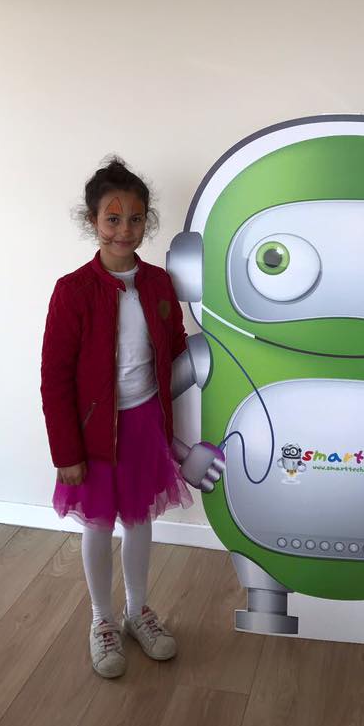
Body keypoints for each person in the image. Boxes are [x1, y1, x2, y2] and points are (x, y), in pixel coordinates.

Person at [40, 157, 222, 679]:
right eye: (113, 218)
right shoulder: (73, 291)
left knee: (139, 520)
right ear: (93, 221)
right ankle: (102, 619)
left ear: (147, 221)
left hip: (145, 425)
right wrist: (66, 453)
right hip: (93, 435)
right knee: (99, 525)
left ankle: (137, 609)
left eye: (136, 218)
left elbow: (175, 347)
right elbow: (54, 378)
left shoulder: (159, 284)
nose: (125, 229)